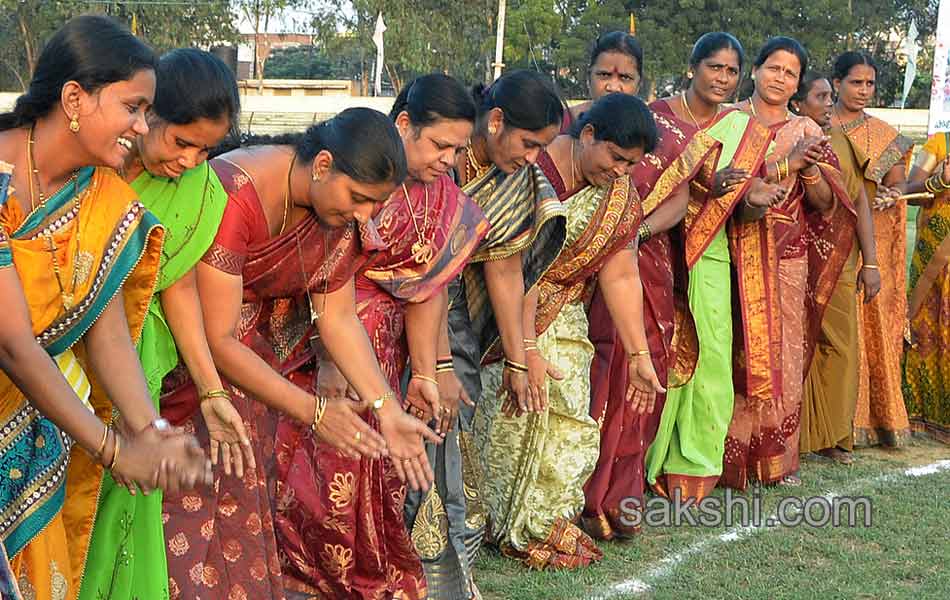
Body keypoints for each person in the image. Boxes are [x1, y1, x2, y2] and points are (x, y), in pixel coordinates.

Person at [160, 108, 440, 599]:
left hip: (253, 373)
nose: (363, 217)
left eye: (374, 206)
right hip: (187, 367)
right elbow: (218, 336)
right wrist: (313, 413)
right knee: (186, 508)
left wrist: (387, 411)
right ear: (323, 164)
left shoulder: (330, 213)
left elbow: (338, 318)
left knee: (242, 506)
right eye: (358, 199)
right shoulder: (234, 192)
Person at [0, 15, 211, 598]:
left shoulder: (106, 198)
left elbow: (107, 333)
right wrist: (114, 449)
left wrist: (154, 432)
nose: (142, 127)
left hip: (33, 438)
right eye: (134, 107)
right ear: (74, 98)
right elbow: (13, 342)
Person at [282, 74, 489, 599]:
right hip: (333, 332)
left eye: (458, 149)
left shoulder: (446, 195)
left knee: (381, 461)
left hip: (388, 344)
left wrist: (429, 371)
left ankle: (364, 571)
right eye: (440, 144)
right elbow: (330, 275)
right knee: (327, 462)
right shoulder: (365, 176)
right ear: (404, 125)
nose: (449, 158)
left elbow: (428, 287)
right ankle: (310, 575)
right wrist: (327, 358)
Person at [77, 48, 251, 600]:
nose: (192, 162)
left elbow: (174, 288)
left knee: (123, 497)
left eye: (208, 150)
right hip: (57, 359)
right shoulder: (88, 166)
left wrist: (211, 391)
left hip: (135, 365)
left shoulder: (199, 195)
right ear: (147, 114)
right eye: (182, 142)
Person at [473, 93, 662, 569]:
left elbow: (619, 274)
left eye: (631, 164)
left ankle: (544, 517)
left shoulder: (619, 196)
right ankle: (498, 519)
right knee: (509, 413)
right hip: (500, 309)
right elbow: (522, 261)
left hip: (566, 311)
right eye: (616, 158)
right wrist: (528, 348)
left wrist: (640, 355)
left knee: (571, 418)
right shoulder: (536, 172)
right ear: (588, 134)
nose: (620, 172)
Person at [576, 31, 720, 540]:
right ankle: (580, 497)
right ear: (587, 75)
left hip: (642, 262)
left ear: (642, 82)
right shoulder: (576, 132)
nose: (613, 83)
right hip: (576, 276)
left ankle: (621, 496)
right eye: (604, 74)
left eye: (625, 76)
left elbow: (678, 201)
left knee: (637, 376)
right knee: (591, 377)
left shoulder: (662, 133)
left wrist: (631, 230)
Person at [645, 32, 784, 501]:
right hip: (656, 248)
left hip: (710, 254)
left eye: (731, 71)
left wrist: (755, 201)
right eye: (714, 68)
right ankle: (643, 460)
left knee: (710, 357)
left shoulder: (742, 129)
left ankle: (693, 466)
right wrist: (700, 181)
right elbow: (644, 182)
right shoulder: (658, 118)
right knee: (656, 350)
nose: (723, 79)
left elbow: (743, 209)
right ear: (692, 67)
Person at [445, 69, 567, 583]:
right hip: (391, 306)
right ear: (494, 121)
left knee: (453, 436)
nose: (534, 159)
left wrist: (522, 359)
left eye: (543, 149)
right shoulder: (442, 151)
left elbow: (505, 266)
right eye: (529, 144)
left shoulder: (515, 179)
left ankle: (448, 574)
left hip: (455, 319)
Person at [723, 37, 853, 489]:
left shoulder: (807, 130)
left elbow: (825, 206)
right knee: (733, 350)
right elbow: (723, 190)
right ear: (755, 71)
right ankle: (727, 457)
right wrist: (784, 166)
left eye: (790, 73)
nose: (780, 78)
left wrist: (809, 169)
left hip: (787, 256)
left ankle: (775, 459)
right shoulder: (730, 121)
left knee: (783, 353)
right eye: (773, 68)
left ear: (797, 84)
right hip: (733, 250)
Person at [794, 72, 882, 463]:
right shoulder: (785, 141)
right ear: (799, 103)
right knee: (794, 349)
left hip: (839, 262)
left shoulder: (841, 144)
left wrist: (872, 261)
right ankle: (790, 439)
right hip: (792, 262)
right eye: (820, 96)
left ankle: (834, 435)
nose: (830, 103)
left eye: (831, 95)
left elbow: (860, 204)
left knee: (841, 348)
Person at [827, 51, 913, 450]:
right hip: (828, 238)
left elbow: (897, 190)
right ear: (837, 83)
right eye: (855, 82)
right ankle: (832, 422)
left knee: (872, 324)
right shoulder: (820, 127)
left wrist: (888, 198)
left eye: (869, 84)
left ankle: (874, 420)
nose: (863, 90)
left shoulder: (883, 134)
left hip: (872, 241)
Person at [901, 132, 950, 443]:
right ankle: (923, 411)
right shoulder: (940, 145)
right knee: (928, 327)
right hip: (935, 254)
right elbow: (909, 191)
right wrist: (941, 180)